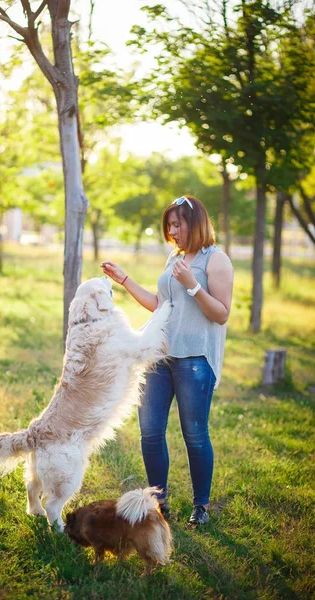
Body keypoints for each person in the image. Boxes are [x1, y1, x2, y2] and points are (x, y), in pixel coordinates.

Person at [100, 195, 234, 525]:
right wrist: (125, 280)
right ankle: (159, 502)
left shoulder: (216, 260)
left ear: (196, 222)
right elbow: (160, 304)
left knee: (195, 434)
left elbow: (221, 314)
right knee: (149, 432)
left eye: (178, 224)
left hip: (194, 360)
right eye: (169, 225)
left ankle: (201, 506)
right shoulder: (173, 257)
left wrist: (193, 286)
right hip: (159, 357)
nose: (172, 231)